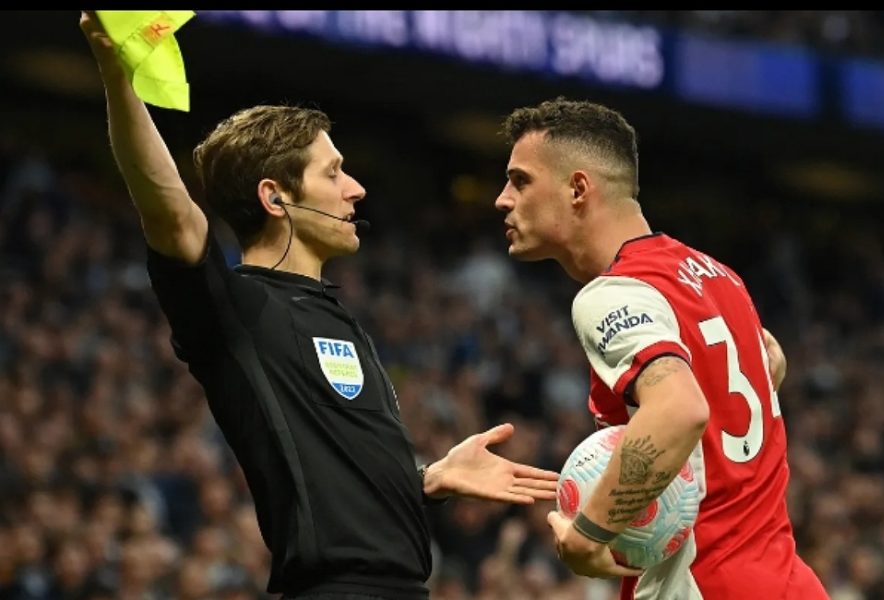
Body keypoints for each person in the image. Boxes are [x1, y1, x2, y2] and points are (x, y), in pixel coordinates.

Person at [79, 12, 560, 600]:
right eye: (333, 172)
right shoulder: (235, 309)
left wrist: (427, 478)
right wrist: (117, 76)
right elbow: (167, 206)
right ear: (275, 197)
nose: (355, 188)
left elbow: (331, 473)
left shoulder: (335, 313)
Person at [495, 98, 827, 599]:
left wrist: (589, 533)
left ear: (578, 189)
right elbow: (766, 365)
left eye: (520, 181)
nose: (502, 200)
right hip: (789, 583)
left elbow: (678, 409)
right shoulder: (720, 277)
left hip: (705, 586)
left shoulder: (612, 294)